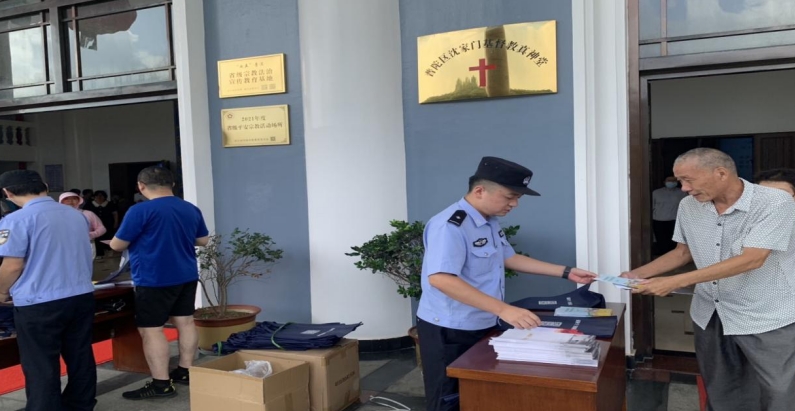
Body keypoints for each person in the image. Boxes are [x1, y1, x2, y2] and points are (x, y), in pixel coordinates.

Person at [416, 156, 598, 411]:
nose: (514, 204)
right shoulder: (450, 226)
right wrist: (504, 310)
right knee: (448, 399)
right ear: (480, 191)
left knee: (478, 393)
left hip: (483, 320)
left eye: (517, 198)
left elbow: (508, 257)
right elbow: (441, 279)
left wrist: (566, 272)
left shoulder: (488, 221)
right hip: (450, 328)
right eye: (510, 197)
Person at [624, 148, 795, 411]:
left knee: (779, 391)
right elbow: (682, 252)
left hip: (765, 314)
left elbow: (752, 259)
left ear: (721, 173)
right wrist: (636, 274)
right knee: (722, 388)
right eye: (680, 181)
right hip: (711, 312)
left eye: (688, 180)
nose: (683, 188)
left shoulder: (775, 202)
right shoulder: (689, 206)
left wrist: (675, 282)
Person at [110, 166, 209, 400]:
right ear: (172, 184)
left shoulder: (139, 210)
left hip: (154, 278)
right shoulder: (190, 208)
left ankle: (161, 384)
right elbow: (203, 240)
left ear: (141, 186)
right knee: (185, 322)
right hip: (186, 274)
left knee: (152, 329)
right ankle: (186, 371)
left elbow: (116, 245)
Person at [0, 170, 96, 411]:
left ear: (7, 193)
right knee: (80, 355)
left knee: (40, 363)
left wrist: (1, 292)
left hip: (39, 302)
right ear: (45, 186)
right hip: (80, 296)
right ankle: (80, 405)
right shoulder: (76, 215)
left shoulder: (15, 220)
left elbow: (12, 265)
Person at [59, 191, 107, 259]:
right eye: (67, 199)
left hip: (86, 245)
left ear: (79, 200)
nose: (71, 201)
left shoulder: (88, 214)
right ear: (61, 201)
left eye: (74, 199)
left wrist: (91, 235)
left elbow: (102, 229)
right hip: (63, 246)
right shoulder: (56, 215)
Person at [652, 176, 687, 255]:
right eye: (669, 180)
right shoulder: (656, 193)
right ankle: (662, 256)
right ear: (664, 182)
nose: (671, 182)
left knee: (674, 241)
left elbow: (685, 207)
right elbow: (651, 206)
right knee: (661, 240)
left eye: (673, 181)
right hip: (659, 220)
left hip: (675, 220)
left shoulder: (682, 193)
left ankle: (673, 256)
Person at [85, 190, 118, 259]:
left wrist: (116, 222)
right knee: (97, 239)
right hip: (94, 225)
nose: (99, 197)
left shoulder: (110, 204)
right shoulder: (89, 205)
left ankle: (109, 251)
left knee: (108, 237)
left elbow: (115, 214)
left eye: (101, 196)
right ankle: (99, 254)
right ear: (94, 197)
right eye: (97, 196)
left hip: (108, 224)